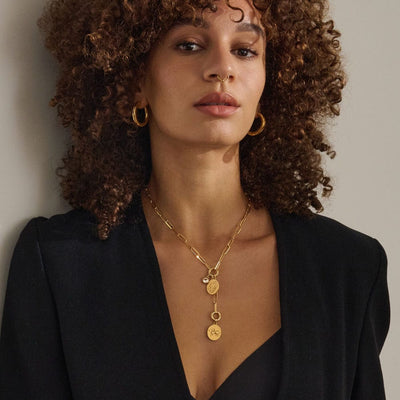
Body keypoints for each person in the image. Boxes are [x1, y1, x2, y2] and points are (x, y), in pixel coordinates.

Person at [0, 0, 390, 399]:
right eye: (189, 44)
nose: (223, 68)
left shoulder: (347, 269)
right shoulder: (57, 263)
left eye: (244, 50)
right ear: (136, 79)